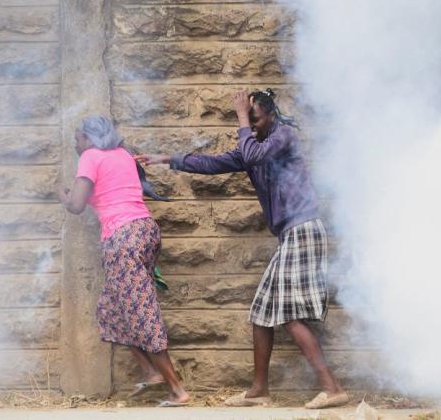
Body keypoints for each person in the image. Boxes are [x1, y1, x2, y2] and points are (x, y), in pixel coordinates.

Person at [137, 89, 350, 409]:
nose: (250, 126)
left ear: (271, 115)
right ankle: (259, 391)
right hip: (291, 235)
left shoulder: (284, 136)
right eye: (248, 120)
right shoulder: (256, 146)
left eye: (255, 119)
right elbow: (213, 162)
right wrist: (168, 160)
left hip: (303, 230)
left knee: (291, 315)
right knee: (263, 314)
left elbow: (251, 155)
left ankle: (332, 389)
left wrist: (240, 116)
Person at [58, 115, 189, 407]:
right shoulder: (122, 155)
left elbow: (77, 206)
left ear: (90, 139)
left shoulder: (91, 156)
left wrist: (61, 195)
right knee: (112, 310)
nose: (75, 143)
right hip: (144, 231)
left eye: (77, 138)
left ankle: (177, 390)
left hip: (123, 239)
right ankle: (151, 372)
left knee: (143, 313)